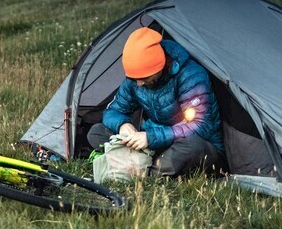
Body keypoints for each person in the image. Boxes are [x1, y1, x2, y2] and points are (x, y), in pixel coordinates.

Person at [87, 27, 224, 177]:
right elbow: (112, 111)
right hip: (154, 144)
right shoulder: (136, 79)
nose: (139, 83)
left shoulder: (191, 75)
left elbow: (201, 126)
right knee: (97, 132)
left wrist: (151, 138)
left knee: (192, 147)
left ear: (159, 66)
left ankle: (140, 171)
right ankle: (147, 165)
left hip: (198, 147)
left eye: (144, 78)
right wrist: (123, 125)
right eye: (134, 78)